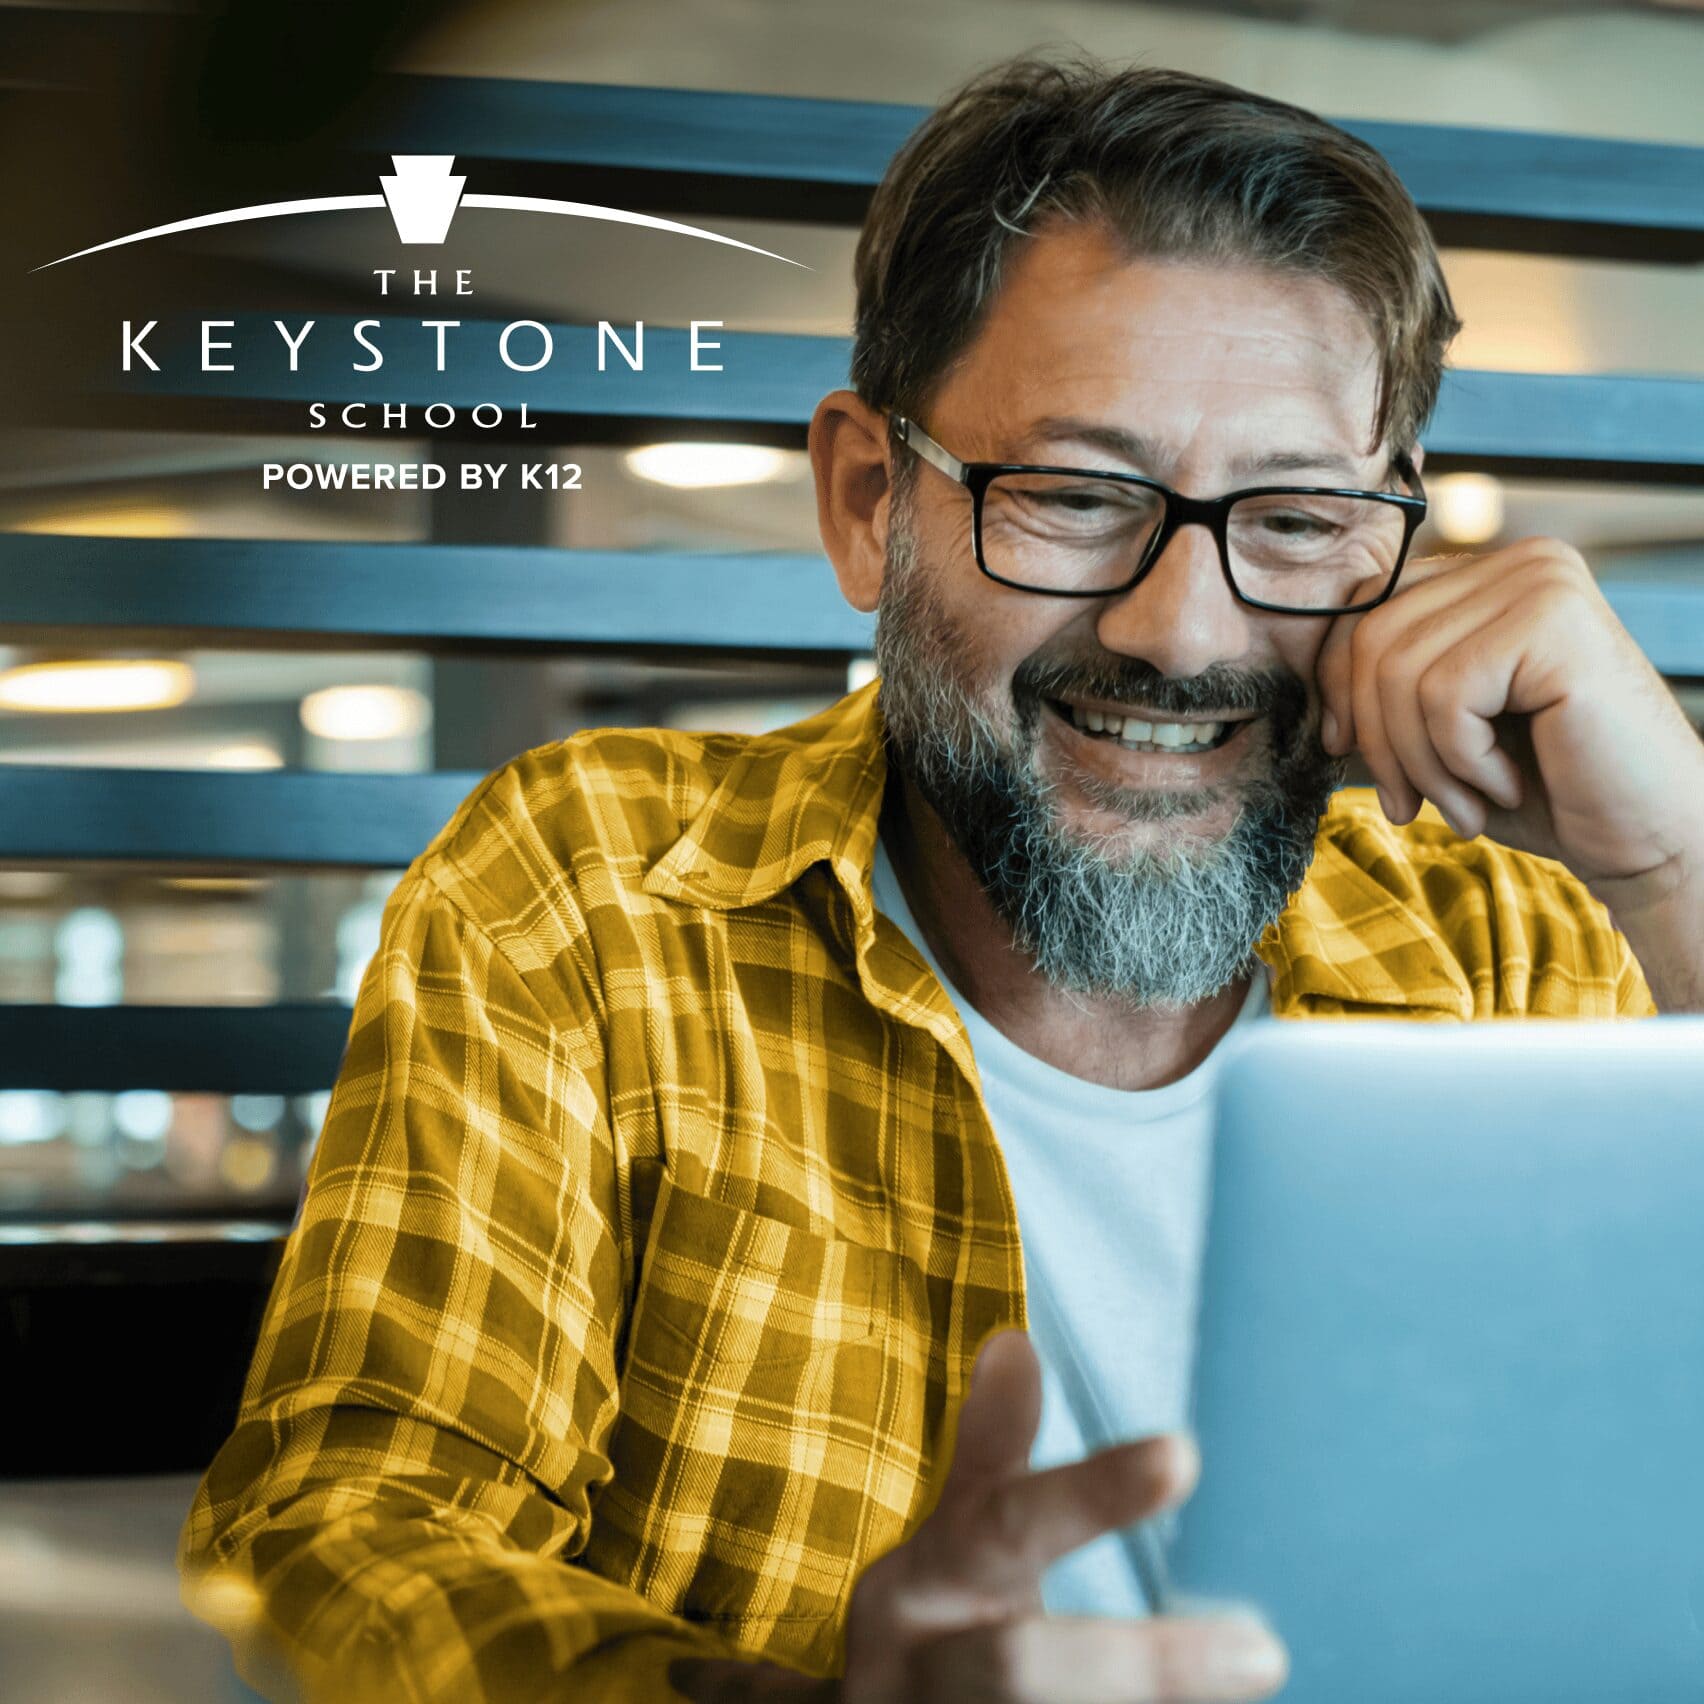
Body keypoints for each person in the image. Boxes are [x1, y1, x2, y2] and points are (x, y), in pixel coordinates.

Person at [179, 53, 1704, 1704]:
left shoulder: (1538, 947)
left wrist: (1682, 863)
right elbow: (346, 1531)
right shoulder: (593, 897)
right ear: (864, 503)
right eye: (1069, 495)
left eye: (1294, 518)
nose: (1181, 631)